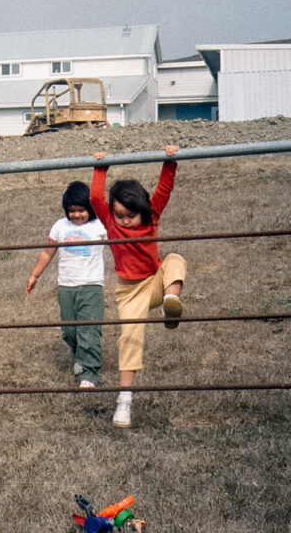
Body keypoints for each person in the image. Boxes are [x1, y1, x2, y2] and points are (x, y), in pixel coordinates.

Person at [90, 146, 187, 428]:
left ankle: (172, 301)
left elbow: (164, 189)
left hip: (156, 283)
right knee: (129, 339)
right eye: (119, 215)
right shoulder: (111, 223)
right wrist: (100, 167)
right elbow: (96, 197)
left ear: (144, 210)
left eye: (131, 215)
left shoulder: (153, 215)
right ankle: (124, 401)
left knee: (176, 259)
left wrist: (170, 160)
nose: (125, 220)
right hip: (129, 292)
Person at [26, 181, 107, 388]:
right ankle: (79, 357)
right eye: (72, 211)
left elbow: (119, 246)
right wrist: (35, 275)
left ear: (90, 209)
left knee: (88, 330)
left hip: (91, 286)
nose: (76, 215)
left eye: (81, 210)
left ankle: (90, 373)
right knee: (69, 331)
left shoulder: (100, 226)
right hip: (66, 286)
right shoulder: (60, 226)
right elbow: (47, 251)